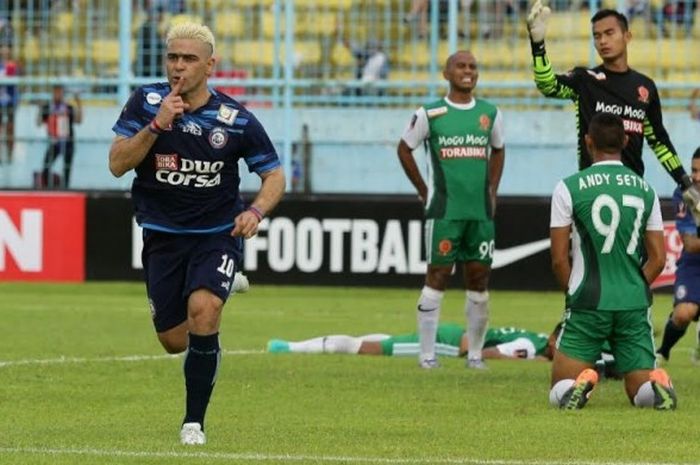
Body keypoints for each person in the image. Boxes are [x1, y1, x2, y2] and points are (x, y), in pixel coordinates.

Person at [108, 22, 285, 445]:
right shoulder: (146, 102)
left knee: (205, 311)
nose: (179, 67)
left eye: (189, 59)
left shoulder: (235, 119)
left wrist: (257, 210)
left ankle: (194, 422)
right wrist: (155, 126)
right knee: (173, 340)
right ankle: (227, 283)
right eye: (173, 57)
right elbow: (117, 164)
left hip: (216, 233)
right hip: (162, 235)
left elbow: (274, 174)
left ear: (210, 64)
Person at [548, 112, 676, 410]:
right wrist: (630, 286)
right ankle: (658, 389)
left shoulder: (569, 187)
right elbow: (658, 259)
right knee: (640, 390)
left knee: (559, 390)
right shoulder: (645, 190)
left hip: (589, 301)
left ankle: (579, 387)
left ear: (588, 142)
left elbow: (558, 259)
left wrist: (573, 293)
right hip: (632, 301)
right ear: (626, 141)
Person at [526, 3, 700, 213]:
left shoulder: (645, 87)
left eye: (609, 33)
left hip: (633, 195)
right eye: (597, 36)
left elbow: (659, 143)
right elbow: (548, 85)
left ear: (627, 36)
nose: (602, 41)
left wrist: (684, 182)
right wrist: (538, 45)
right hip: (591, 194)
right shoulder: (585, 81)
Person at [397, 50, 505, 370]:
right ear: (447, 74)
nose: (468, 71)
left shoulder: (490, 113)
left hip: (480, 212)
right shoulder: (431, 113)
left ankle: (474, 355)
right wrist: (423, 191)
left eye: (473, 66)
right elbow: (404, 149)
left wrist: (492, 191)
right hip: (445, 211)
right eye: (461, 66)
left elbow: (498, 150)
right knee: (438, 275)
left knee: (479, 279)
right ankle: (427, 355)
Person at [268, 323, 560, 361]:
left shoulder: (536, 337)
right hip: (446, 344)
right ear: (554, 338)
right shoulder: (532, 346)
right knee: (368, 349)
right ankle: (289, 347)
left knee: (383, 341)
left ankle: (291, 345)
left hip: (450, 335)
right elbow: (492, 353)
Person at [656, 147, 700, 364]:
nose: (696, 177)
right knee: (683, 314)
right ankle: (663, 350)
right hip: (694, 265)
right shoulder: (684, 193)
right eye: (693, 170)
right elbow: (691, 245)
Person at [38, 85, 82, 189]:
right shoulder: (48, 107)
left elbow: (78, 120)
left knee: (67, 168)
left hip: (67, 141)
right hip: (54, 142)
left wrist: (79, 104)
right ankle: (48, 187)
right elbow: (39, 122)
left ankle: (65, 188)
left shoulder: (68, 107)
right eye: (55, 92)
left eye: (59, 92)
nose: (57, 95)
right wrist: (40, 109)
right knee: (46, 166)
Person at [0, 44, 18, 164]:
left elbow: (16, 83)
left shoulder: (13, 65)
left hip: (10, 101)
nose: (4, 51)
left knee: (10, 129)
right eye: (3, 48)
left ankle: (10, 156)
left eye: (7, 49)